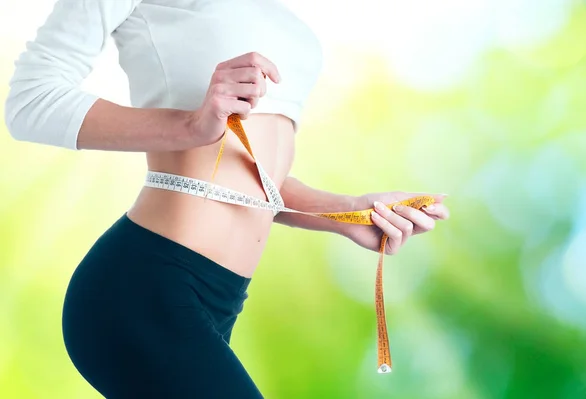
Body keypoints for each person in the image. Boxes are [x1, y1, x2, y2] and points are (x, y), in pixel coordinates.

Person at [3, 0, 450, 397]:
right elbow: (30, 100)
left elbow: (244, 172)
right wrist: (191, 126)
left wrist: (344, 213)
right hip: (145, 288)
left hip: (220, 300)